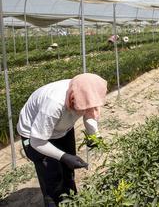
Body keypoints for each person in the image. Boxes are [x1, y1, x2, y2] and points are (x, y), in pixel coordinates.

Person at [17, 73, 107, 206]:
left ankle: (72, 200)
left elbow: (90, 112)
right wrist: (64, 156)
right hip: (35, 135)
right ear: (72, 99)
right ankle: (52, 201)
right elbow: (37, 142)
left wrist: (94, 135)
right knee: (51, 177)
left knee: (67, 171)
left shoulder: (87, 90)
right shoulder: (53, 103)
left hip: (62, 129)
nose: (85, 110)